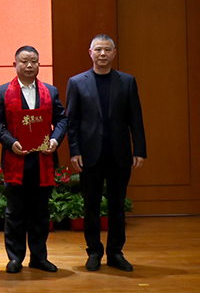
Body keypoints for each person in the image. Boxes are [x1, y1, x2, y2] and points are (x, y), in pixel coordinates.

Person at [66, 34, 146, 272]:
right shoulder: (76, 82)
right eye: (98, 49)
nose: (102, 54)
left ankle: (115, 252)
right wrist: (74, 151)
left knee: (117, 206)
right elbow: (72, 121)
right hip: (90, 155)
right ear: (90, 53)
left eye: (107, 50)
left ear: (114, 53)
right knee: (91, 206)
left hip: (119, 154)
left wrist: (139, 149)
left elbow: (135, 118)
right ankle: (94, 251)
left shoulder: (127, 81)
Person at [0, 45, 67, 273]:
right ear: (15, 65)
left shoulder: (50, 91)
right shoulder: (2, 92)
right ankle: (15, 258)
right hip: (16, 159)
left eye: (33, 61)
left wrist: (55, 140)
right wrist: (10, 142)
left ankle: (39, 257)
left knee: (40, 212)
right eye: (24, 61)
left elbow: (62, 119)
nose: (29, 65)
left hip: (43, 160)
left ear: (39, 64)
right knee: (15, 212)